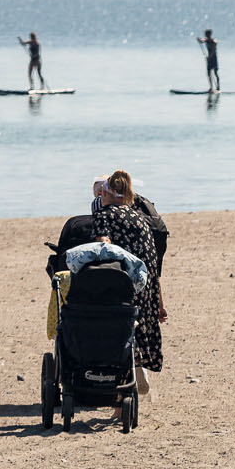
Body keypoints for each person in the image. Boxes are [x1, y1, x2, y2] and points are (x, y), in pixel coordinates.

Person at [91, 170, 168, 416]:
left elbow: (104, 247)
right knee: (132, 333)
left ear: (105, 194)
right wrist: (160, 302)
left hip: (122, 283)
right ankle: (136, 373)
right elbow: (153, 262)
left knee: (115, 335)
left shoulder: (105, 215)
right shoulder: (139, 217)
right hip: (146, 286)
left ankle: (120, 403)